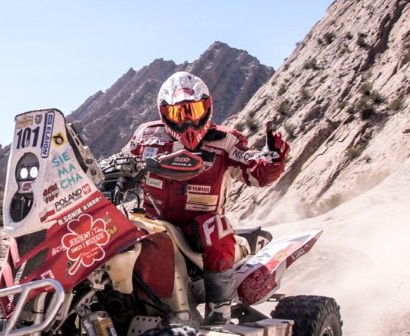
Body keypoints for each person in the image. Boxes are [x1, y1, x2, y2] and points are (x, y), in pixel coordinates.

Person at [120, 71, 289, 314]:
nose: (188, 122)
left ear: (207, 108)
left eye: (194, 111)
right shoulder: (146, 136)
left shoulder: (226, 141)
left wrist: (273, 160)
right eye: (179, 113)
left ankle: (219, 310)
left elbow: (255, 172)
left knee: (215, 227)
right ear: (164, 112)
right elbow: (121, 162)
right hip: (153, 224)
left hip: (198, 230)